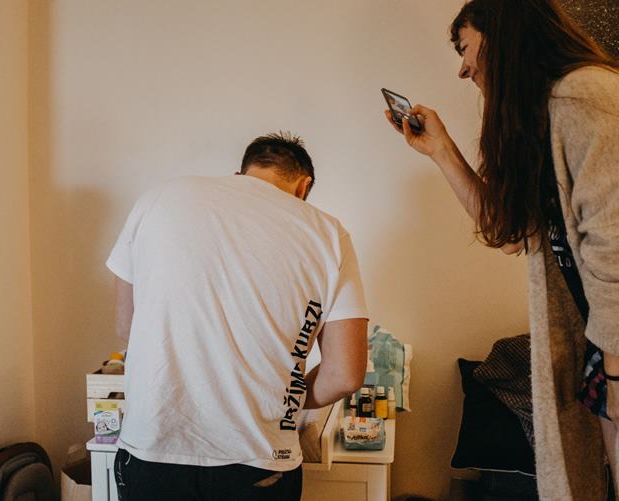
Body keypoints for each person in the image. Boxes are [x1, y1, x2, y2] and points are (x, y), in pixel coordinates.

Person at [384, 0, 619, 498]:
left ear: (503, 37)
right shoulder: (545, 115)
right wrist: (440, 149)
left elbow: (613, 248)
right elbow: (511, 233)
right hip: (603, 347)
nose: (463, 68)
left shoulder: (587, 95)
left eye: (465, 48)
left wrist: (617, 374)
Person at [106, 132, 369, 500]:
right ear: (303, 186)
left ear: (240, 174)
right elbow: (345, 374)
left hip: (153, 450)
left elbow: (127, 326)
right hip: (259, 459)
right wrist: (290, 399)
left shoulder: (158, 198)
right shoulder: (327, 232)